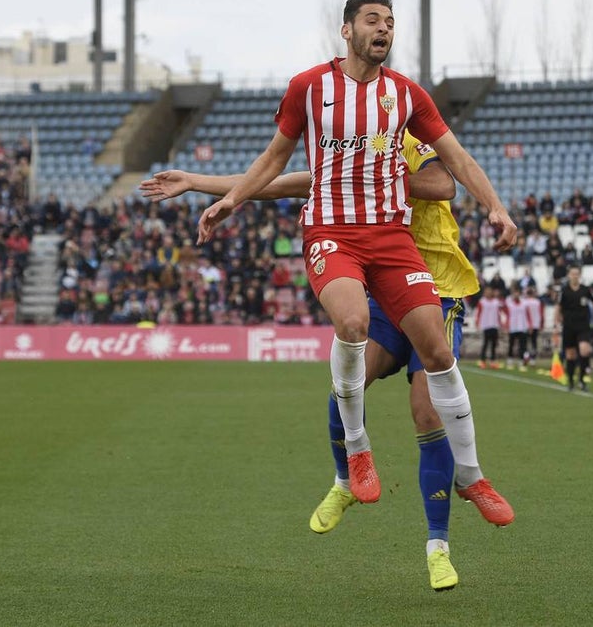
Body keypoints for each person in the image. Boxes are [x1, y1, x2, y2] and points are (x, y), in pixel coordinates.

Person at [184, 0, 517, 586]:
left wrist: (495, 207)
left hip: (393, 242)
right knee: (352, 324)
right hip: (333, 232)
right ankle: (357, 453)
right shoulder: (310, 88)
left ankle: (470, 477)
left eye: (390, 21)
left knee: (438, 357)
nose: (384, 28)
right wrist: (227, 199)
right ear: (347, 30)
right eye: (372, 20)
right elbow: (276, 160)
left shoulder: (407, 97)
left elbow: (456, 163)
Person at [141, 131, 514, 592]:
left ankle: (438, 547)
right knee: (348, 378)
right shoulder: (346, 149)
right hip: (379, 290)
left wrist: (376, 177)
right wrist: (198, 182)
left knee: (426, 412)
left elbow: (443, 184)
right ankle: (344, 479)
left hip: (435, 287)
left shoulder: (397, 135)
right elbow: (279, 182)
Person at [554, 265, 593, 391]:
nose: (575, 276)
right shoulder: (564, 290)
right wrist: (556, 322)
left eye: (577, 274)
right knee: (570, 355)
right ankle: (571, 380)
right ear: (569, 275)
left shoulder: (586, 290)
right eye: (572, 274)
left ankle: (582, 380)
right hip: (569, 325)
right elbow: (558, 307)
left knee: (584, 350)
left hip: (583, 325)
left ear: (580, 275)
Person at [475, 286, 504, 369]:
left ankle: (493, 361)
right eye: (486, 291)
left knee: (494, 344)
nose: (488, 293)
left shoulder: (496, 302)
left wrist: (500, 323)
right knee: (485, 344)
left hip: (494, 325)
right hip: (486, 325)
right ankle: (482, 361)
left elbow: (499, 313)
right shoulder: (482, 301)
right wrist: (477, 322)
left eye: (489, 291)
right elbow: (478, 312)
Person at [504, 281, 529, 369]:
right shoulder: (509, 302)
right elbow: (507, 314)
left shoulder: (524, 302)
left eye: (518, 293)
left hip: (522, 327)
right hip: (513, 327)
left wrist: (530, 325)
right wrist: (506, 325)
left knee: (522, 346)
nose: (516, 294)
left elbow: (528, 314)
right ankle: (510, 361)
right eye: (515, 293)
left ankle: (521, 362)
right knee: (511, 345)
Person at [523, 286, 545, 366]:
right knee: (533, 342)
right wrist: (541, 324)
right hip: (535, 324)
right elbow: (541, 314)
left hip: (526, 325)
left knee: (525, 342)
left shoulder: (524, 302)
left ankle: (526, 356)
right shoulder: (538, 302)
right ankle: (532, 359)